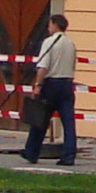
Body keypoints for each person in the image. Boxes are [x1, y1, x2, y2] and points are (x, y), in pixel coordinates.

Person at [19, 11, 78, 166]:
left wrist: (38, 85)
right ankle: (69, 154)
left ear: (55, 25)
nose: (48, 28)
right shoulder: (71, 44)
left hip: (51, 84)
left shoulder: (49, 42)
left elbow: (43, 66)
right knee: (68, 122)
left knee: (40, 119)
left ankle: (31, 151)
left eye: (50, 24)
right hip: (66, 84)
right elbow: (73, 65)